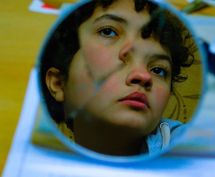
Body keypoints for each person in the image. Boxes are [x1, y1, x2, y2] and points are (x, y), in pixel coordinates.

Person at [39, 0, 196, 156]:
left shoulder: (184, 144)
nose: (143, 76)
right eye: (108, 32)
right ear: (59, 83)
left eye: (158, 70)